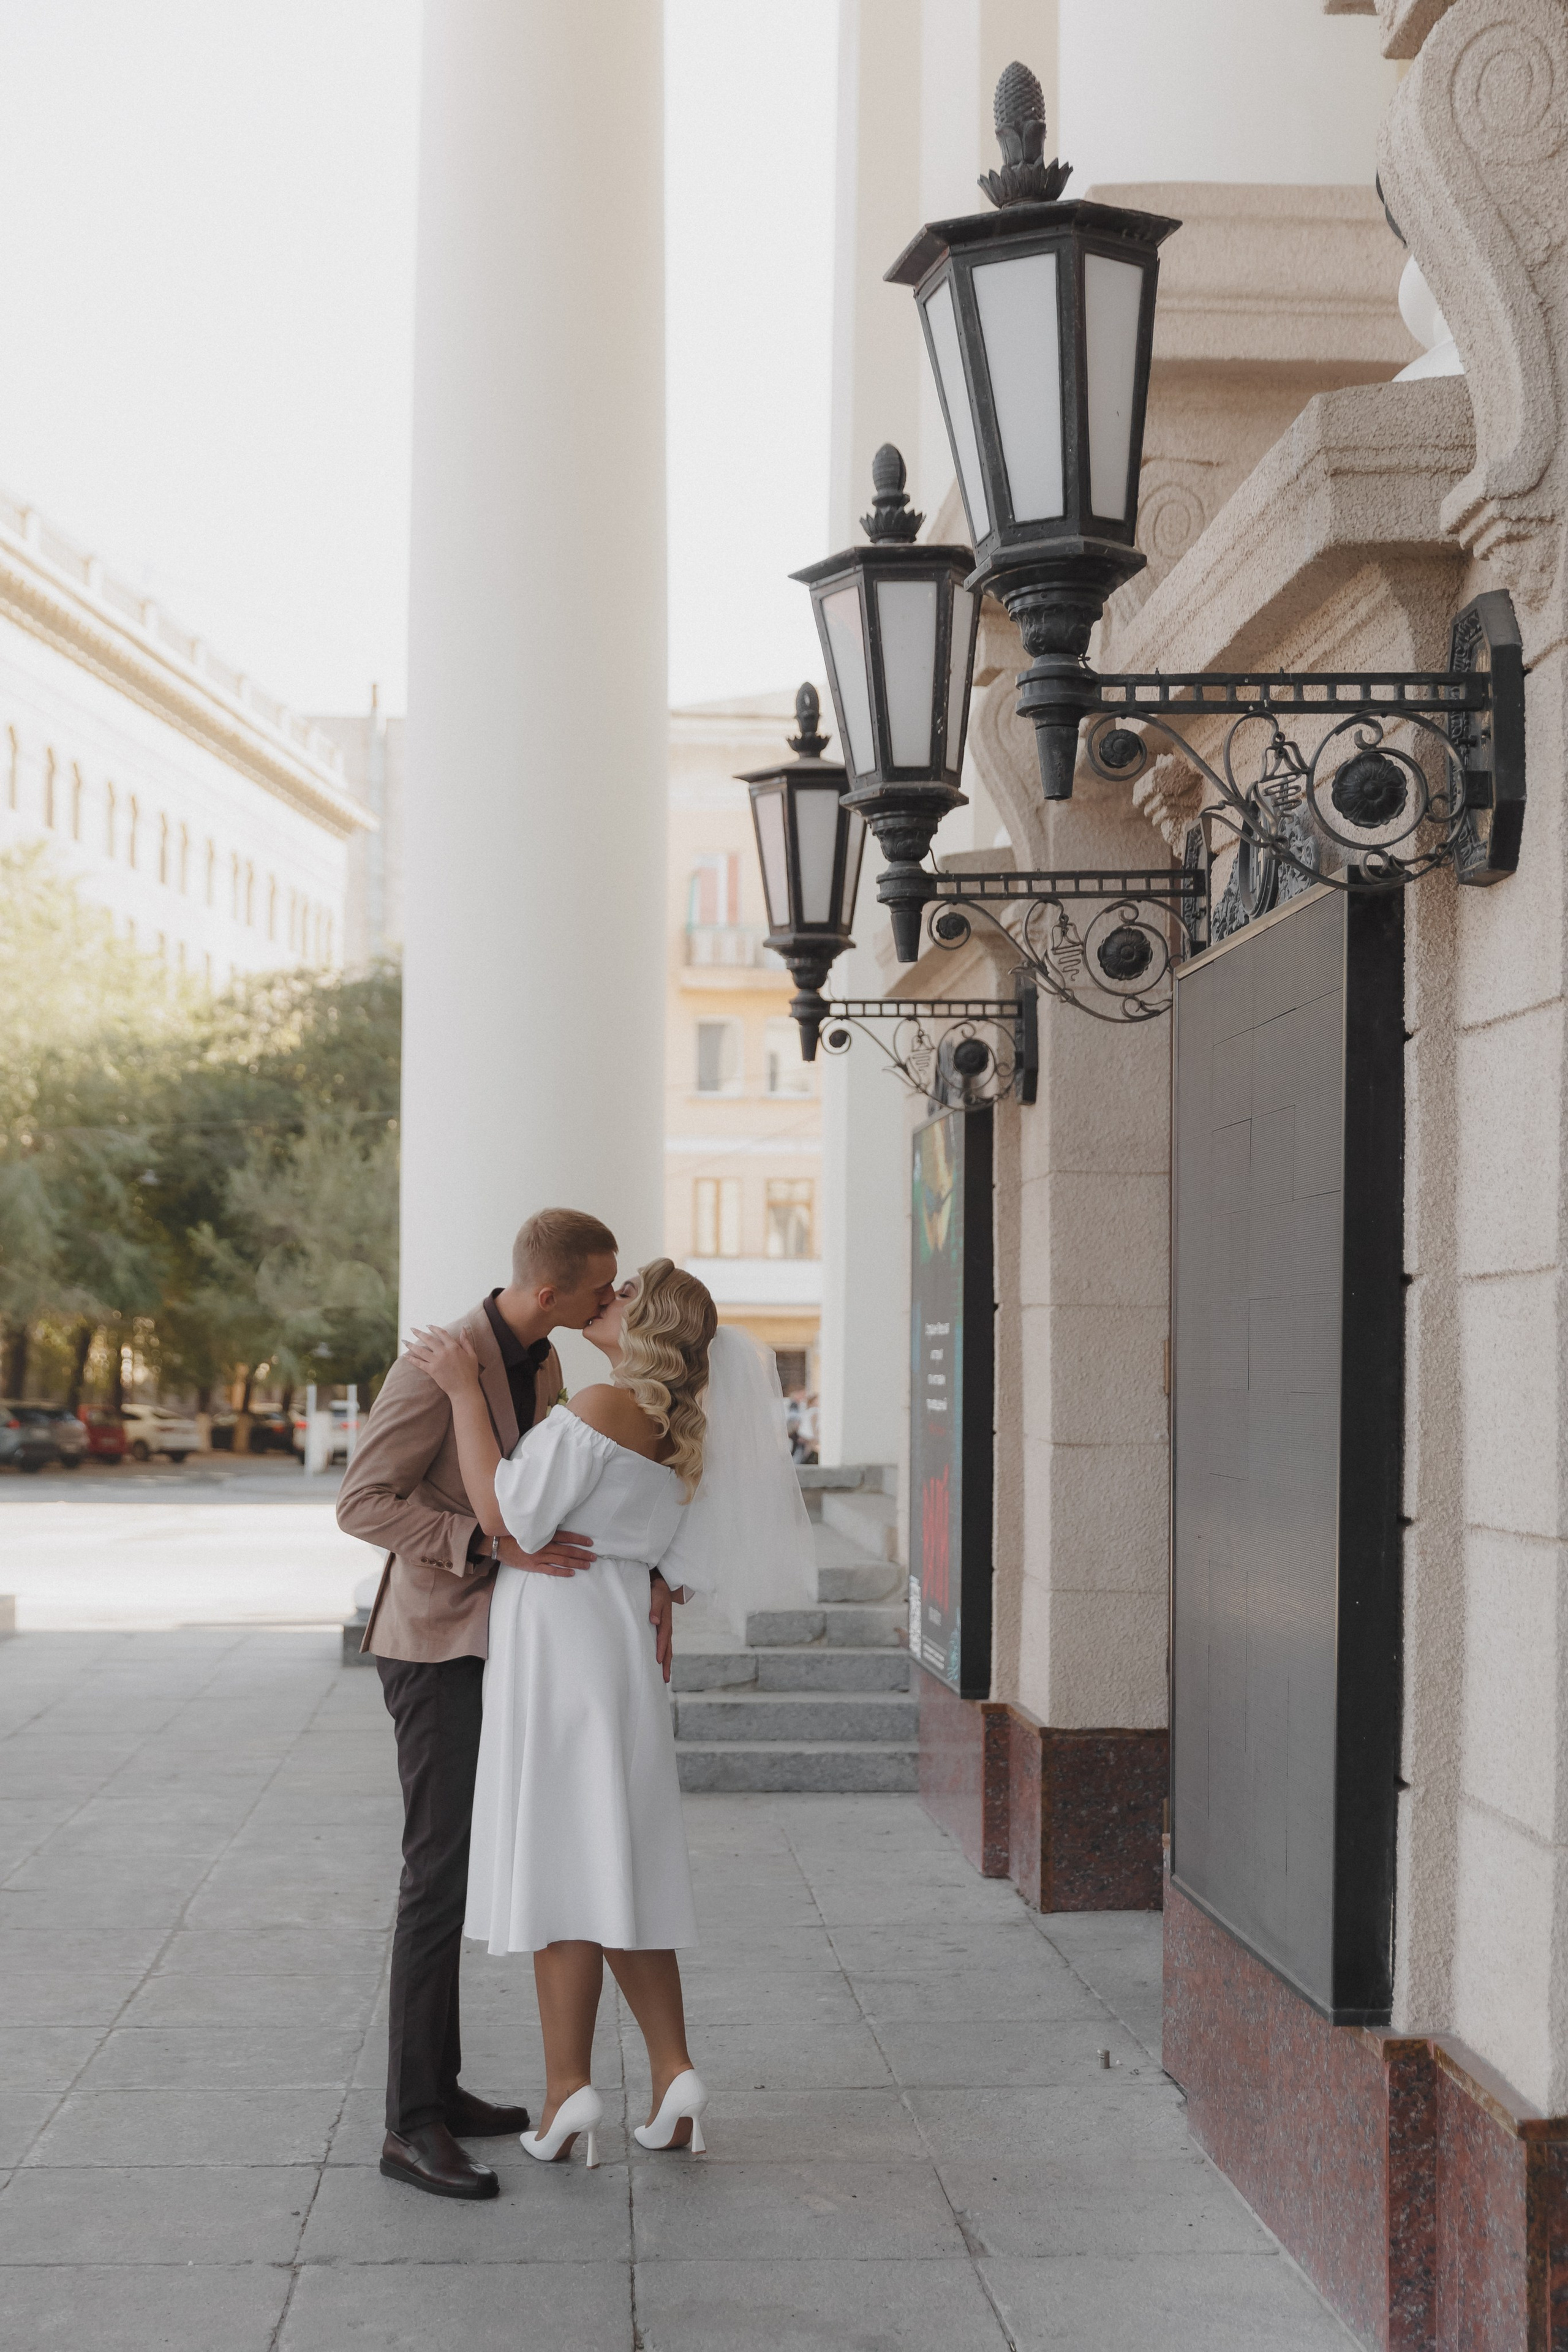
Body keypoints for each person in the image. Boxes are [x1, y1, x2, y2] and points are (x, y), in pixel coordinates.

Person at [406, 1257, 818, 2173]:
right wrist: (661, 1584)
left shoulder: (596, 1411)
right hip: (622, 1645)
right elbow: (684, 1550)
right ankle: (673, 2079)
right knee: (619, 1859)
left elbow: (506, 1510)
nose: (608, 1297)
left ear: (647, 1325)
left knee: (563, 1866)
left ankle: (566, 2096)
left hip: (558, 1644)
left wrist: (463, 1391)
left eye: (625, 1294)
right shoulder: (681, 1433)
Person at [337, 1208, 676, 2203]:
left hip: (519, 1648)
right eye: (599, 1288)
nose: (611, 1301)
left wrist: (650, 1575)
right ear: (546, 1294)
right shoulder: (436, 1364)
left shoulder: (550, 1369)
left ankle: (440, 2090)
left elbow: (568, 1495)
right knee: (435, 1877)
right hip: (438, 1647)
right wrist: (489, 1545)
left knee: (475, 1868)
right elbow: (362, 1502)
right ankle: (410, 2125)